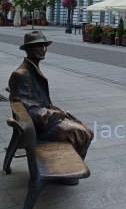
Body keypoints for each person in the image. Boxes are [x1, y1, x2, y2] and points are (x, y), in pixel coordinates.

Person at [8, 31, 94, 167]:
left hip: (42, 122)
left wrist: (60, 110)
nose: (44, 50)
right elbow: (31, 111)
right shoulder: (22, 74)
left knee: (86, 131)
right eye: (38, 46)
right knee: (83, 134)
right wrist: (58, 114)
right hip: (35, 128)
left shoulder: (32, 69)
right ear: (28, 49)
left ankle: (67, 167)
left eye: (45, 46)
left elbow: (40, 102)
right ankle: (68, 171)